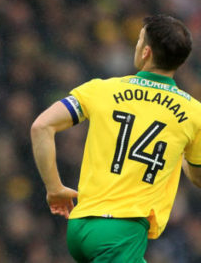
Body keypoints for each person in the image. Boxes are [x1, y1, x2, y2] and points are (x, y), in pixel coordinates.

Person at [31, 14, 201, 262]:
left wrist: (54, 188)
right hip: (120, 232)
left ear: (146, 52)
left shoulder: (101, 89)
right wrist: (182, 153)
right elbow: (198, 176)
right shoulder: (193, 114)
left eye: (139, 40)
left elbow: (41, 126)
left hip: (80, 226)